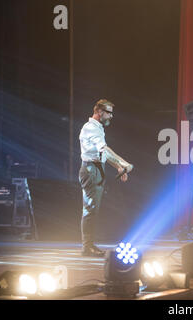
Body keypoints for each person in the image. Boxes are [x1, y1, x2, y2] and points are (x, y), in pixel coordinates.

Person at [79, 99, 134, 257]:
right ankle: (87, 247)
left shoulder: (96, 128)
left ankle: (88, 246)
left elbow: (102, 153)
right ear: (100, 112)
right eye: (109, 112)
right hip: (91, 170)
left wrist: (118, 167)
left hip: (95, 168)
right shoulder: (92, 128)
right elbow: (104, 149)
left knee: (92, 210)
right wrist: (122, 163)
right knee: (90, 210)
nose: (111, 116)